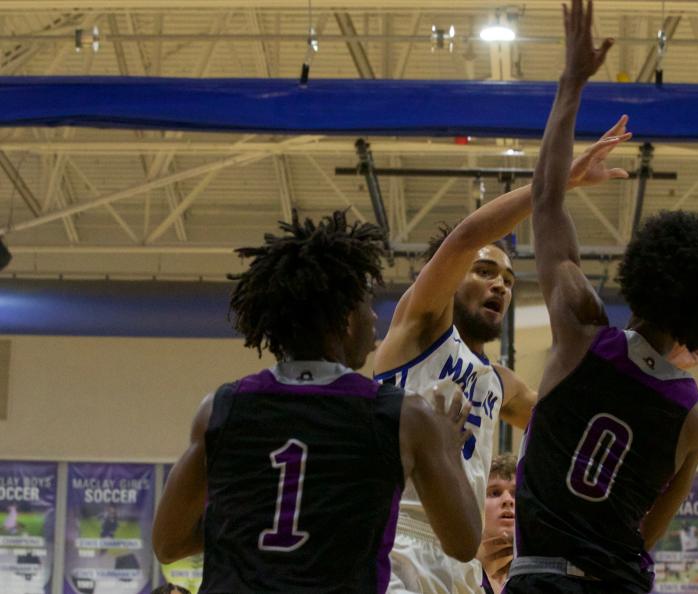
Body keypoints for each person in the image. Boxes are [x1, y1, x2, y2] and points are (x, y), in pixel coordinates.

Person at [504, 2, 698, 593]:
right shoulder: (697, 418)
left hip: (541, 578)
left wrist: (572, 84)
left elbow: (544, 201)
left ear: (643, 269)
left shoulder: (580, 326)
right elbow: (645, 535)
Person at [373, 103, 633, 593]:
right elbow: (467, 236)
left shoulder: (500, 382)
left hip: (462, 558)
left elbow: (574, 425)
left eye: (509, 280)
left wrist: (658, 356)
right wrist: (554, 185)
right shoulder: (419, 324)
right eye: (485, 272)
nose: (500, 286)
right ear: (448, 279)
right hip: (398, 542)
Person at [153, 210, 481, 594]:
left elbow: (168, 543)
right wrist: (452, 449)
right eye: (366, 304)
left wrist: (247, 529)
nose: (374, 316)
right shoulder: (402, 415)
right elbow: (463, 543)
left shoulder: (221, 408)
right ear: (344, 319)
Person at [477, 454, 517, 594]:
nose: (508, 500)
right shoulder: (458, 570)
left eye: (516, 493)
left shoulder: (534, 578)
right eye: (495, 493)